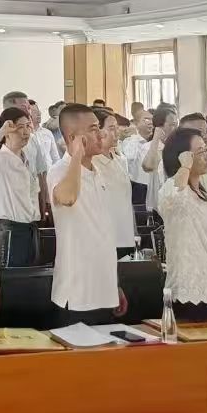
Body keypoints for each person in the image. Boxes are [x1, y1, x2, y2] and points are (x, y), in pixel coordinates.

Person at [49, 105, 122, 325]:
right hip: (77, 293)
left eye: (99, 127)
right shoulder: (60, 170)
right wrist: (76, 155)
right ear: (73, 137)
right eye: (92, 129)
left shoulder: (98, 172)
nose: (100, 134)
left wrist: (114, 284)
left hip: (103, 289)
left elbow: (103, 233)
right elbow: (68, 197)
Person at [159, 127, 207, 320]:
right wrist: (185, 167)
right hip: (188, 291)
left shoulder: (205, 194)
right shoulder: (171, 188)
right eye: (200, 152)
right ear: (183, 157)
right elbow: (174, 199)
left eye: (206, 150)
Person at [0, 107, 41, 267]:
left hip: (31, 227)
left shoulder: (27, 157)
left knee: (31, 275)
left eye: (28, 126)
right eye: (20, 127)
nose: (26, 132)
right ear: (8, 130)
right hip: (10, 229)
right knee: (10, 277)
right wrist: (1, 131)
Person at [95, 109, 137, 259]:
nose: (117, 132)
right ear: (97, 131)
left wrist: (134, 230)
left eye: (117, 128)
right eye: (111, 128)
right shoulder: (92, 164)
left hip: (125, 235)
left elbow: (126, 200)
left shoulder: (120, 160)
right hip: (105, 238)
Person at [141, 106, 178, 212]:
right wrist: (156, 138)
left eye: (176, 124)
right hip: (157, 204)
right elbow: (148, 166)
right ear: (159, 126)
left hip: (176, 202)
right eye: (172, 125)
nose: (176, 129)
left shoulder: (178, 146)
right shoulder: (147, 147)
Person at [120, 109, 154, 206]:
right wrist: (135, 136)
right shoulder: (130, 141)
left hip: (154, 186)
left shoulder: (154, 142)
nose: (150, 122)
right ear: (136, 123)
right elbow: (130, 156)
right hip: (139, 187)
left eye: (152, 120)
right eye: (146, 119)